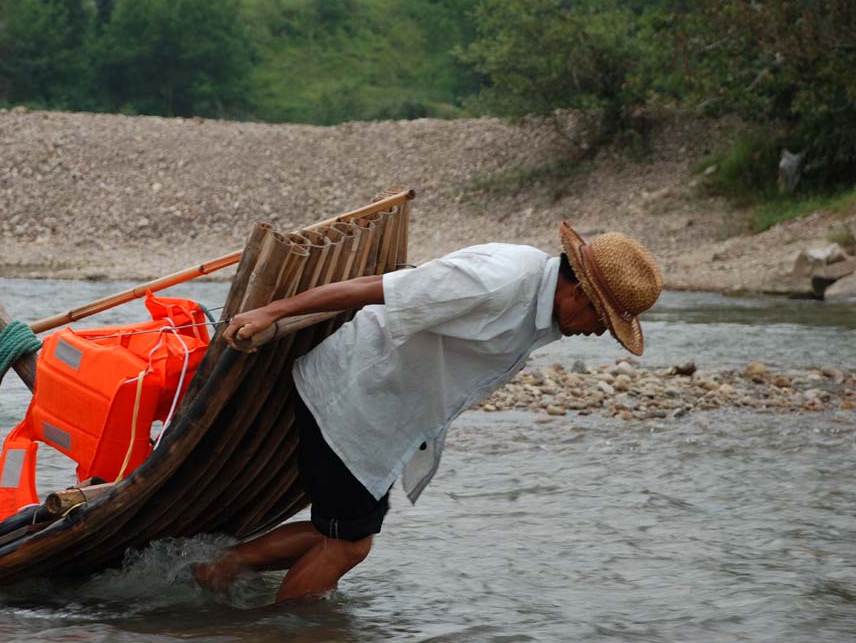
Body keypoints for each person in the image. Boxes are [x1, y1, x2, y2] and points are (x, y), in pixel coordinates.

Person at [194, 221, 662, 602]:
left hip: (383, 415)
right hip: (352, 397)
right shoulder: (496, 281)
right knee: (346, 547)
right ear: (578, 293)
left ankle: (221, 569)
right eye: (603, 320)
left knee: (344, 536)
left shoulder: (541, 302)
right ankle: (277, 631)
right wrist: (272, 312)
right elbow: (373, 289)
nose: (600, 334)